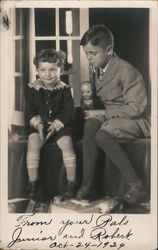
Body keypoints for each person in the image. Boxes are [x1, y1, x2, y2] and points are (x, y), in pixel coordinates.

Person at [76, 24, 150, 204]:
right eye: (86, 53)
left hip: (136, 120)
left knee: (102, 135)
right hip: (113, 116)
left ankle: (136, 185)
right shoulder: (98, 68)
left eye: (92, 53)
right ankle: (89, 185)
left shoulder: (127, 70)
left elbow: (136, 108)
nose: (88, 58)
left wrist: (101, 112)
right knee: (90, 124)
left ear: (108, 50)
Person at [25, 49, 77, 201]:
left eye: (52, 70)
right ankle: (33, 184)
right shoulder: (33, 89)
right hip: (39, 125)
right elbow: (29, 111)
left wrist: (56, 125)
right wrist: (39, 125)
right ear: (37, 70)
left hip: (60, 125)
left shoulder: (64, 89)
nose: (47, 74)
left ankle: (71, 183)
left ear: (61, 70)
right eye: (43, 70)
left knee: (67, 142)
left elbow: (68, 111)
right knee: (33, 141)